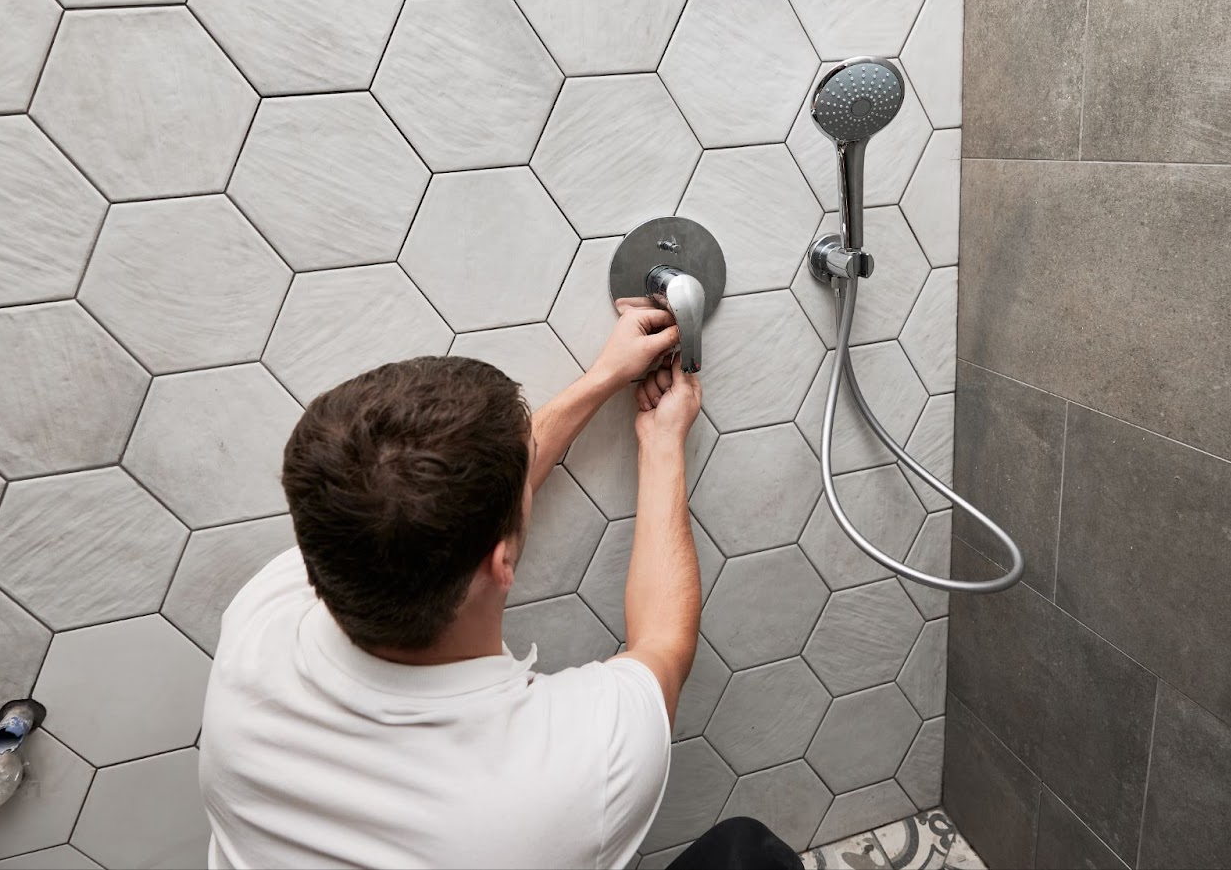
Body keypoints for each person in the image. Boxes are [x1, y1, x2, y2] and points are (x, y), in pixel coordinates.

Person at [198, 303, 800, 869]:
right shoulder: (567, 777)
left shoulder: (261, 620)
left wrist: (601, 378)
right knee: (748, 854)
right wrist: (662, 442)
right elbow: (664, 645)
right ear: (499, 564)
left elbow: (439, 505)